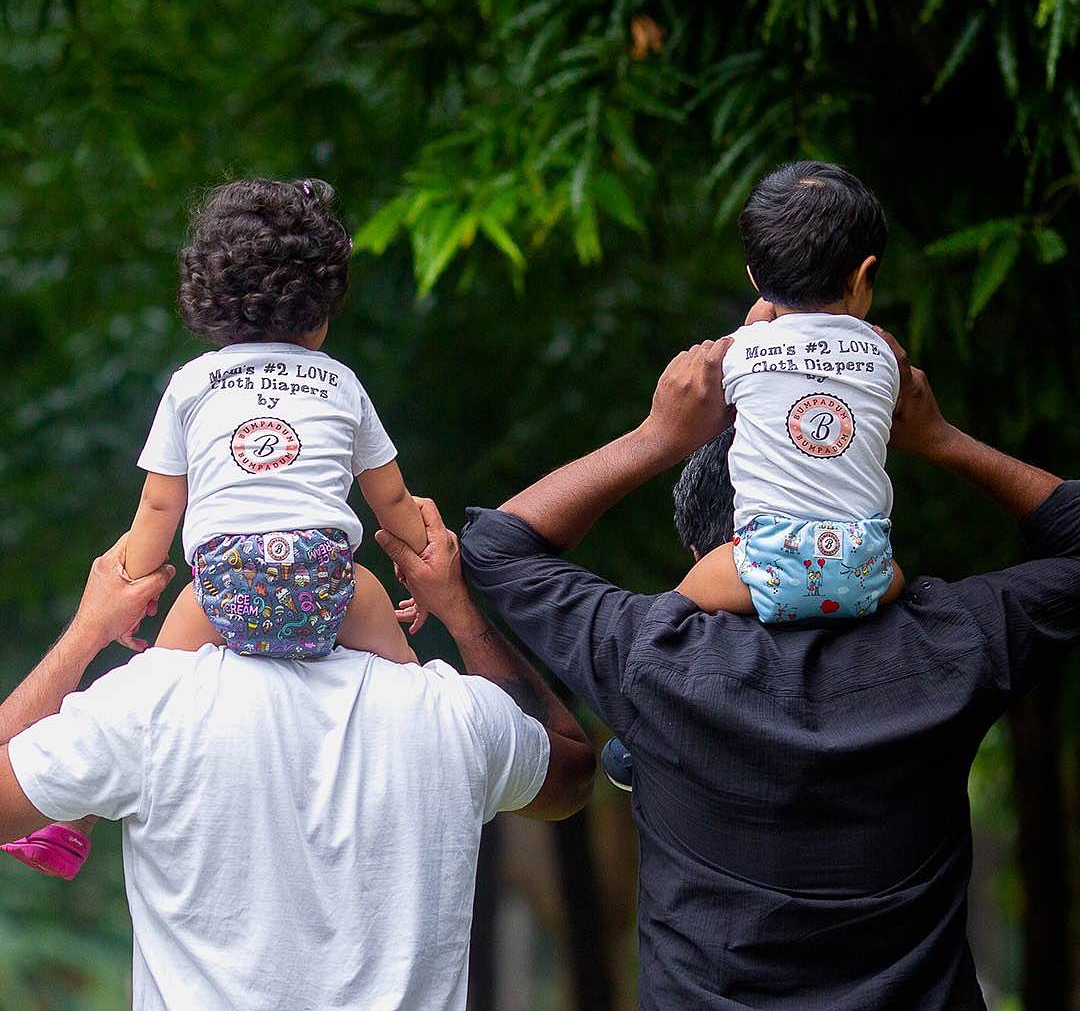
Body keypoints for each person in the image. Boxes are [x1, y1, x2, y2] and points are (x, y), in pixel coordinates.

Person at [459, 336, 1080, 1008]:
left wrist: (658, 435)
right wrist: (940, 438)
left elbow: (498, 547)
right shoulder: (950, 643)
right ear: (862, 522)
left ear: (704, 547)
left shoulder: (656, 660)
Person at [0, 508, 595, 1010]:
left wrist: (89, 629)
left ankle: (71, 813)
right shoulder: (451, 713)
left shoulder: (153, 701)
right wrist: (459, 608)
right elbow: (570, 772)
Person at [4, 176, 428, 879]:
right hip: (333, 581)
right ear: (322, 308)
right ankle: (425, 790)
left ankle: (68, 820)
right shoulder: (342, 383)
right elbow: (391, 500)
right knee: (423, 706)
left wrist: (136, 586)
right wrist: (419, 561)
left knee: (143, 692)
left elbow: (159, 510)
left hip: (221, 587)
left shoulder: (193, 383)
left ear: (211, 300)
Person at [679, 162, 904, 624]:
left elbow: (759, 348)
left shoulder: (741, 351)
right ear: (865, 276)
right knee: (901, 576)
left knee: (674, 607)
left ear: (755, 279)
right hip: (866, 569)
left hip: (762, 566)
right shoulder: (884, 358)